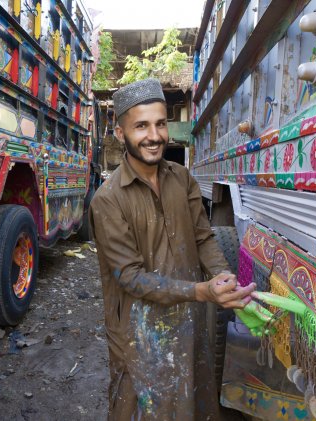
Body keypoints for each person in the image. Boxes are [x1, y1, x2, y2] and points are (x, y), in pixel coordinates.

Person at [89, 78, 256, 420]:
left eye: (161, 124)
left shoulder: (182, 179)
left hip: (190, 323)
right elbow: (131, 278)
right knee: (143, 406)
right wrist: (201, 291)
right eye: (141, 126)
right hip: (138, 335)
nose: (154, 136)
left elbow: (203, 237)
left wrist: (223, 275)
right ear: (121, 134)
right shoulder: (108, 200)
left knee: (191, 399)